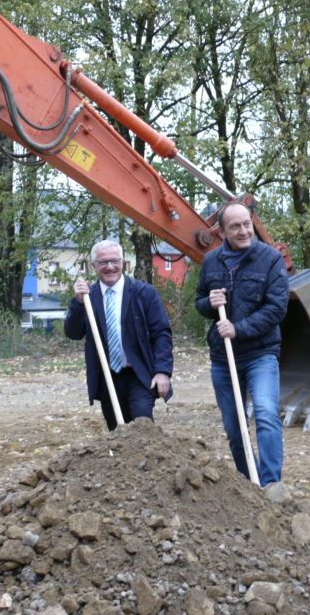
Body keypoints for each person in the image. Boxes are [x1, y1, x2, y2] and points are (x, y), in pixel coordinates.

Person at [195, 200, 288, 486]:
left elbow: (276, 308)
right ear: (222, 232)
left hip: (260, 354)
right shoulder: (211, 261)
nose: (244, 231)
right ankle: (249, 483)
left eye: (247, 224)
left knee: (265, 414)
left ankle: (271, 485)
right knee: (234, 427)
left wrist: (238, 329)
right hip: (224, 359)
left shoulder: (270, 259)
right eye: (235, 226)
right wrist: (210, 303)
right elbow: (199, 301)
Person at [64, 240, 174, 430]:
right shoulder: (89, 297)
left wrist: (163, 371)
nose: (109, 267)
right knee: (116, 430)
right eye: (103, 262)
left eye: (114, 261)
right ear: (93, 266)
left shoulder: (144, 293)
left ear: (123, 263)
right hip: (108, 377)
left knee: (142, 424)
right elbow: (73, 333)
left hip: (139, 373)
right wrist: (78, 304)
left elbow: (161, 333)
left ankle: (146, 460)